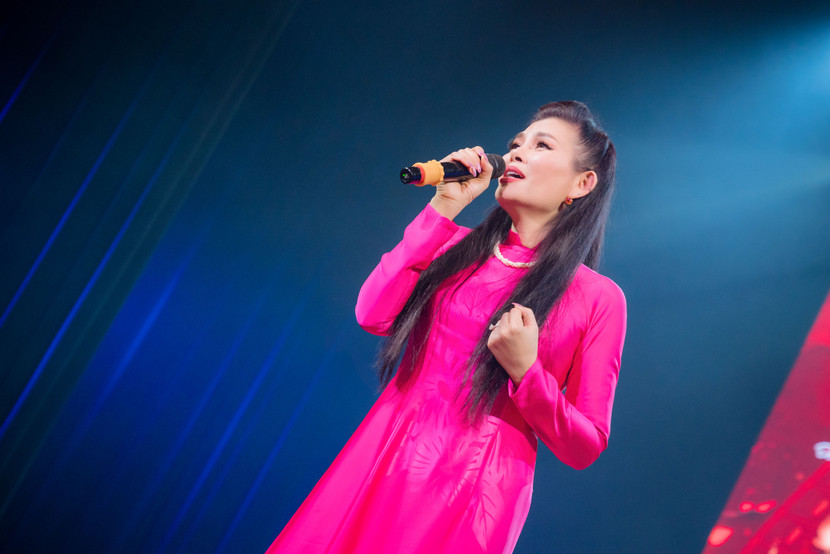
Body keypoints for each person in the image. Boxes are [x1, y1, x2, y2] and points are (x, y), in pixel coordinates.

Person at [266, 101, 626, 553]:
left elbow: (585, 444)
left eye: (541, 146)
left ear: (582, 183)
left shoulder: (597, 297)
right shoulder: (452, 245)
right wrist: (442, 207)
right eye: (515, 144)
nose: (516, 153)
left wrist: (526, 373)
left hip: (476, 492)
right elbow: (372, 313)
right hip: (387, 454)